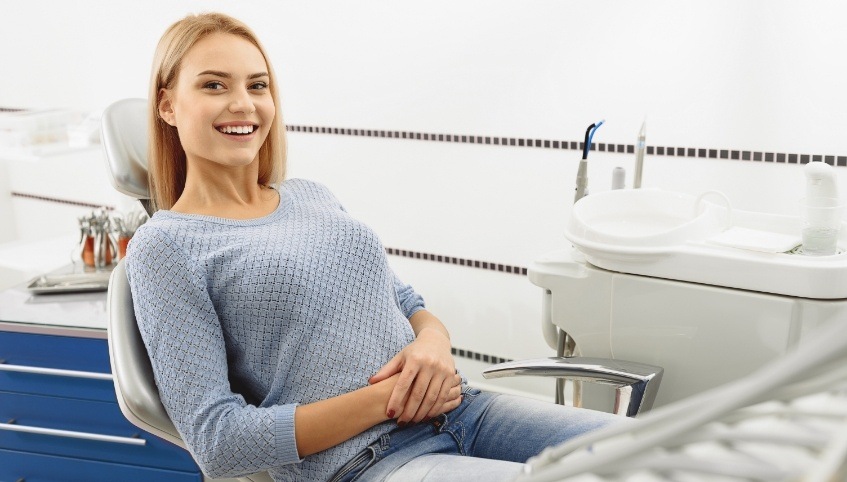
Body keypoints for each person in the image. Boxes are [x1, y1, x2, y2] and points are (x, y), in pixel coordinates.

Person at [125, 12, 624, 482]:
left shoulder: (310, 195)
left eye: (258, 85)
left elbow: (407, 305)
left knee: (664, 454)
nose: (243, 103)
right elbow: (219, 442)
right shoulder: (165, 246)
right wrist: (390, 399)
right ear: (168, 104)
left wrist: (433, 345)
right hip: (367, 461)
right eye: (214, 85)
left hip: (464, 410)